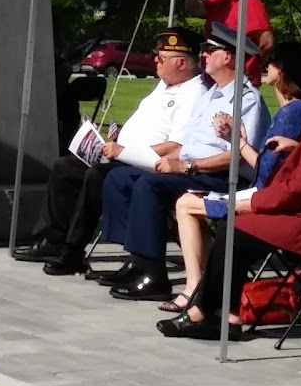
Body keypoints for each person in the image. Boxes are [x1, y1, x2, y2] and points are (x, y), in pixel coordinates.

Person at [157, 60, 301, 341]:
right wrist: (300, 148)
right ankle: (227, 313)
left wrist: (246, 203)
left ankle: (204, 311)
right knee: (236, 229)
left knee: (233, 227)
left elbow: (294, 192)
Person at [97, 22, 272, 301]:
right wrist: (155, 159)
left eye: (210, 51)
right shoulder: (212, 94)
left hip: (222, 177)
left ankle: (154, 275)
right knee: (120, 177)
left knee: (150, 186)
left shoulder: (246, 99)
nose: (203, 55)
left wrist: (186, 167)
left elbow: (238, 155)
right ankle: (138, 260)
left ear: (228, 57)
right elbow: (185, 145)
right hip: (191, 169)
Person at [14, 27, 209, 276]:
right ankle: (53, 239)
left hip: (146, 163)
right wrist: (118, 140)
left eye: (161, 58)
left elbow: (176, 146)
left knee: (96, 176)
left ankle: (73, 251)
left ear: (181, 63)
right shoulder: (164, 85)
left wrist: (125, 150)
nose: (155, 61)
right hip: (122, 155)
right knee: (65, 167)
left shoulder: (194, 94)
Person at [163, 40, 301, 313]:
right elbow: (267, 167)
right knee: (186, 202)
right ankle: (204, 284)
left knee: (185, 204)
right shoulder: (294, 111)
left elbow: (267, 173)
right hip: (266, 191)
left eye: (271, 63)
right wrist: (238, 139)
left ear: (281, 70)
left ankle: (194, 288)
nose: (266, 68)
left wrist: (236, 140)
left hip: (265, 197)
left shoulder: (293, 113)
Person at [184, 0, 273, 87]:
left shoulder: (249, 1)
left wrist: (246, 66)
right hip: (214, 80)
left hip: (236, 82)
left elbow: (266, 42)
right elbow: (193, 8)